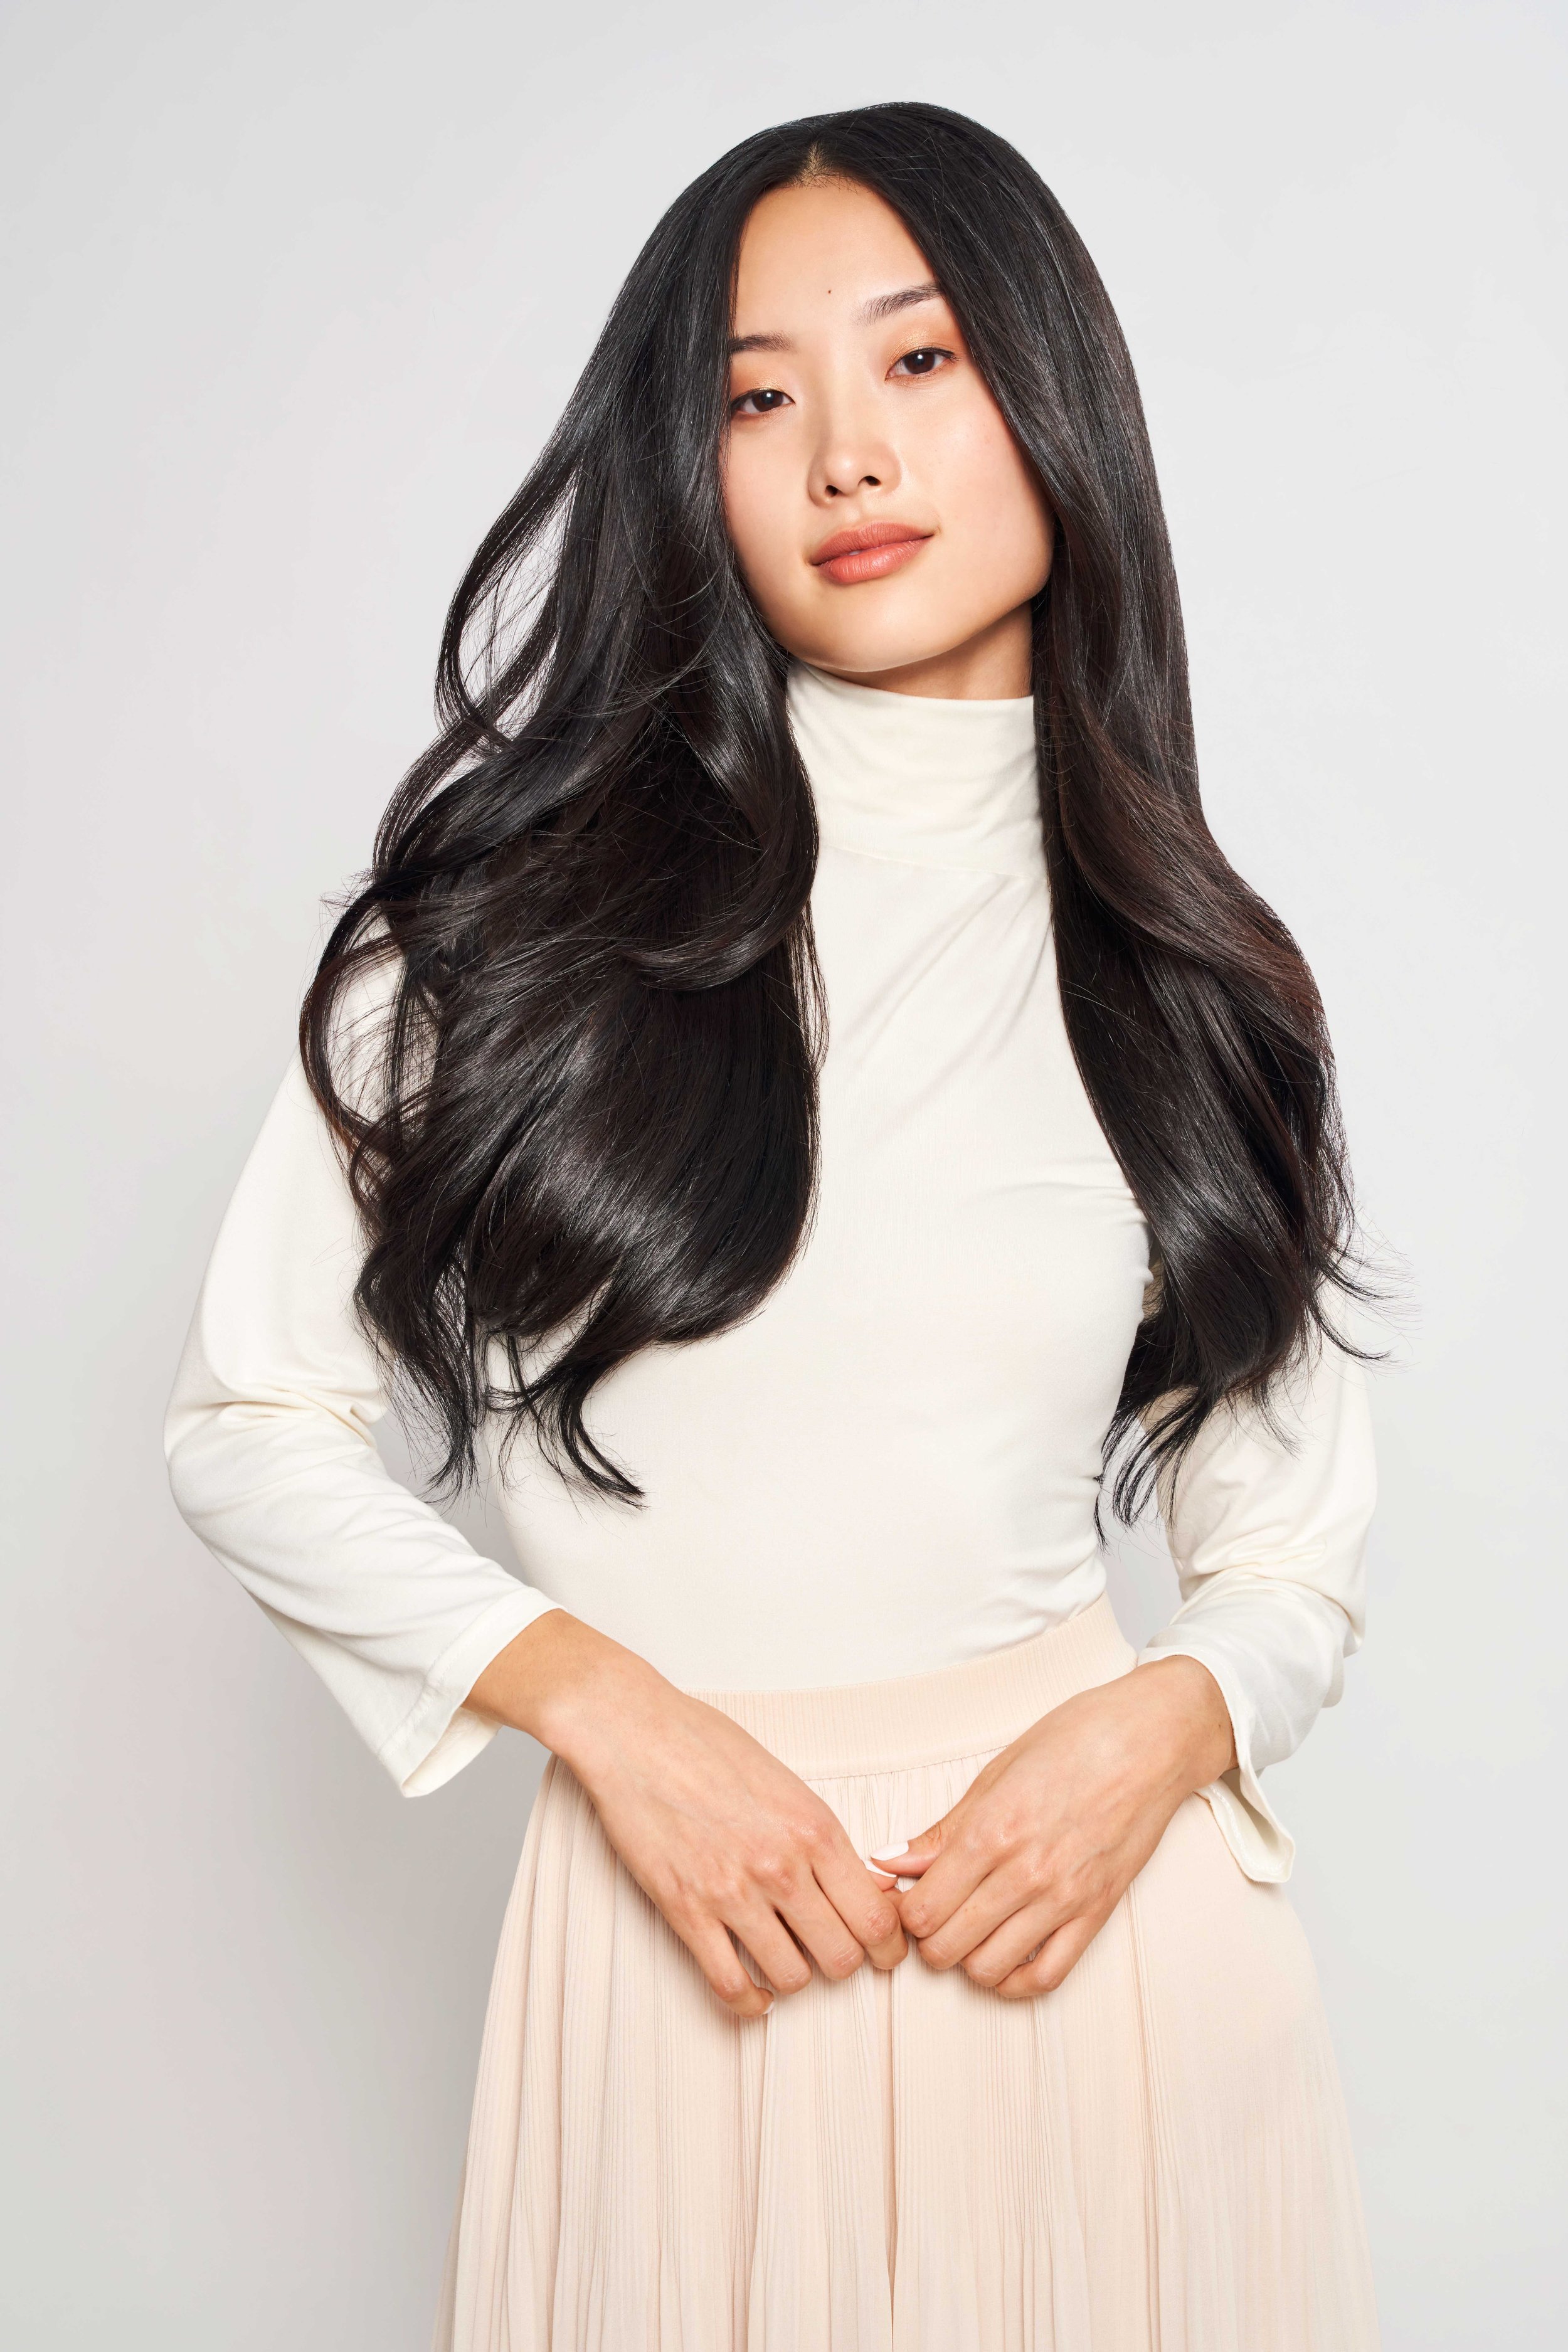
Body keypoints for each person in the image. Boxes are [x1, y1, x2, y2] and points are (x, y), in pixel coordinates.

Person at [166, 102, 1381, 2351]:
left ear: (1056, 394)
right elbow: (249, 1420)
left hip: (1104, 1971)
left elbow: (1290, 1548)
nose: (845, 454)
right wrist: (610, 1716)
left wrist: (1165, 1726)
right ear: (688, 463)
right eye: (756, 392)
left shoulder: (1192, 970)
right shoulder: (510, 940)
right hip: (680, 1964)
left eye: (919, 362)